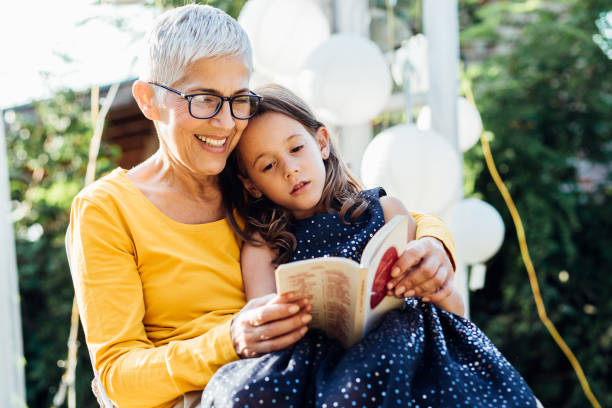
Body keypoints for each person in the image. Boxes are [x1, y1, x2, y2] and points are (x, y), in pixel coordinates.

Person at [67, 5, 461, 408]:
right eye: (204, 99)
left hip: (308, 384)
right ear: (148, 100)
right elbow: (118, 377)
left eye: (238, 99)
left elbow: (363, 209)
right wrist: (230, 340)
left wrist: (434, 242)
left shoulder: (259, 174)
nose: (224, 124)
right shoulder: (106, 209)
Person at [200, 84, 538, 407]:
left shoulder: (385, 210)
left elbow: (452, 311)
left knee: (370, 373)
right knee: (245, 395)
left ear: (321, 142)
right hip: (313, 359)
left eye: (297, 148)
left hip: (399, 346)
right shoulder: (263, 245)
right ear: (252, 185)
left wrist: (435, 284)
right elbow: (263, 331)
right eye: (268, 165)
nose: (291, 169)